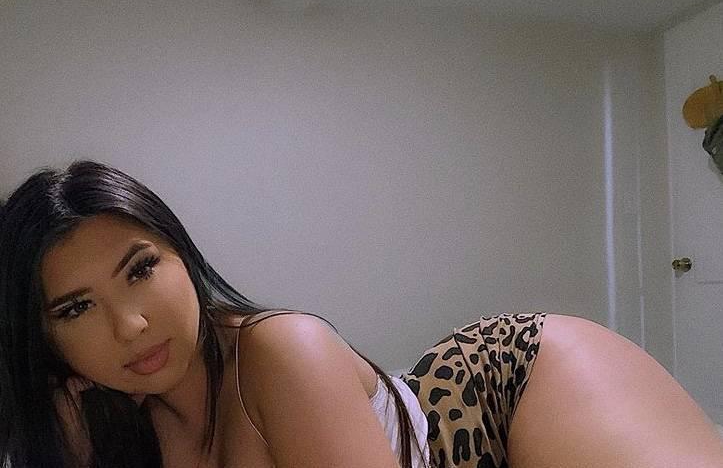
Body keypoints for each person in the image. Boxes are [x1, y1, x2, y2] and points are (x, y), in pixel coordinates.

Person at [0, 161, 721, 468]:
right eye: (76, 307)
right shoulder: (108, 429)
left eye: (140, 269)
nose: (129, 325)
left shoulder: (282, 349)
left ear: (180, 254)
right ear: (42, 336)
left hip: (499, 394)